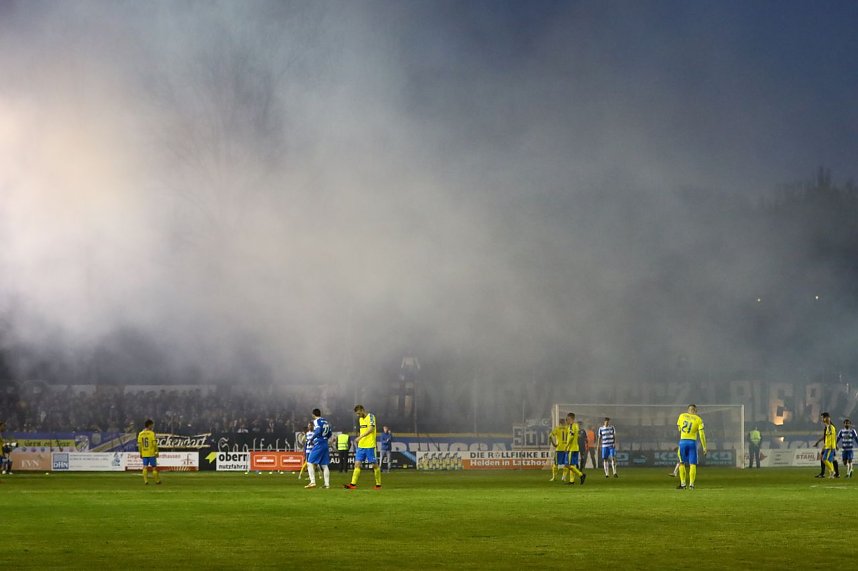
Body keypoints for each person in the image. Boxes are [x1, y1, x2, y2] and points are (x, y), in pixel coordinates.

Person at [344, 405, 381, 490]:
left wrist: (360, 437)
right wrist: (360, 439)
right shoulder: (360, 419)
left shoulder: (371, 416)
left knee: (374, 465)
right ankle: (353, 484)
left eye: (359, 413)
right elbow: (363, 430)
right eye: (357, 414)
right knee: (357, 464)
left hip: (370, 446)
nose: (358, 415)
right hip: (361, 446)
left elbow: (371, 429)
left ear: (363, 410)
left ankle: (378, 485)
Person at [676, 404, 707, 490]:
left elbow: (679, 428)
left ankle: (683, 484)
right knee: (692, 464)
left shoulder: (682, 416)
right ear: (695, 411)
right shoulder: (698, 419)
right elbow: (701, 434)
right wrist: (704, 447)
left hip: (683, 442)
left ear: (688, 410)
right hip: (692, 442)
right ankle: (691, 485)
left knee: (681, 463)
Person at [304, 409, 332, 489]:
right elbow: (330, 433)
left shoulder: (316, 421)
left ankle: (312, 482)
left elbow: (318, 431)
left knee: (309, 462)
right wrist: (325, 438)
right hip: (325, 443)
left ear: (313, 414)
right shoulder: (325, 421)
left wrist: (312, 438)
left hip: (319, 443)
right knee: (324, 465)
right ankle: (327, 484)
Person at [137, 419, 161, 485]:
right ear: (149, 425)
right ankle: (157, 481)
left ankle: (146, 481)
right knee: (154, 467)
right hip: (151, 453)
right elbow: (154, 444)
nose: (152, 426)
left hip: (144, 453)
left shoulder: (140, 434)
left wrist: (140, 453)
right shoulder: (151, 433)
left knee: (145, 467)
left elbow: (139, 445)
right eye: (152, 425)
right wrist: (157, 451)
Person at [564, 413, 586, 486]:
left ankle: (581, 475)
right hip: (576, 447)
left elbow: (571, 436)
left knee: (567, 465)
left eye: (567, 419)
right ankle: (572, 481)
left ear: (570, 418)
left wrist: (566, 446)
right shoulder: (576, 426)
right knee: (572, 465)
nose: (566, 420)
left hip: (571, 448)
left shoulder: (572, 426)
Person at [814, 412, 837, 479]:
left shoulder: (830, 427)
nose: (821, 419)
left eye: (822, 417)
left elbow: (832, 437)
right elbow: (827, 438)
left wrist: (829, 446)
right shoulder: (828, 427)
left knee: (824, 459)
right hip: (828, 446)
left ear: (826, 418)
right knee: (830, 460)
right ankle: (831, 474)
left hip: (829, 446)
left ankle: (833, 471)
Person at [549, 418, 569, 482]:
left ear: (559, 423)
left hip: (559, 449)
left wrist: (554, 444)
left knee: (555, 463)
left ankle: (554, 477)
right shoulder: (568, 428)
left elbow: (550, 436)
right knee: (566, 464)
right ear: (565, 422)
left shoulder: (557, 428)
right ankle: (564, 477)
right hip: (566, 449)